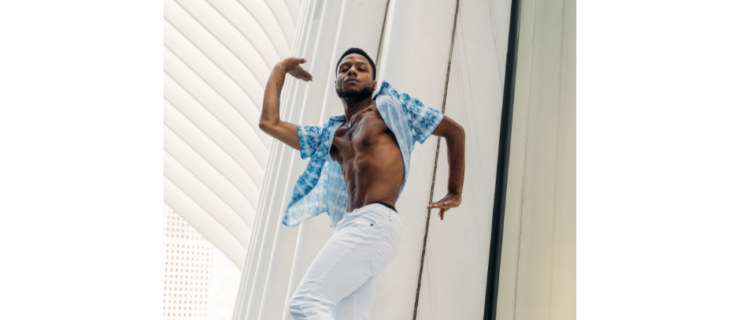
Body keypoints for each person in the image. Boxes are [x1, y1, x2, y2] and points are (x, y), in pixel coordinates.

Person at [259, 47, 466, 320]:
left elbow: (454, 130)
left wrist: (454, 191)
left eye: (361, 68)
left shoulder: (391, 108)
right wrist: (280, 68)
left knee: (306, 303)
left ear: (375, 84)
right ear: (336, 84)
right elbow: (269, 123)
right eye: (344, 69)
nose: (352, 71)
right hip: (353, 226)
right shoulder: (332, 136)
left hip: (375, 223)